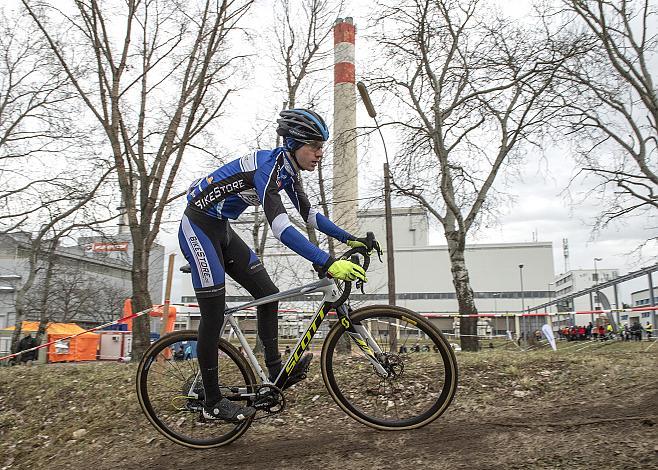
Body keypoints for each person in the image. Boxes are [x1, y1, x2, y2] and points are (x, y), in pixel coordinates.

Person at [178, 108, 374, 423]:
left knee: (269, 293)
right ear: (295, 143)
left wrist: (351, 240)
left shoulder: (289, 171)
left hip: (222, 229)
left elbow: (310, 216)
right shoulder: (269, 168)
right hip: (197, 227)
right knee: (213, 314)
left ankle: (275, 371)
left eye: (322, 146)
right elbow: (281, 228)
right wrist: (327, 262)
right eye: (315, 146)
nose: (320, 153)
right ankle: (211, 403)